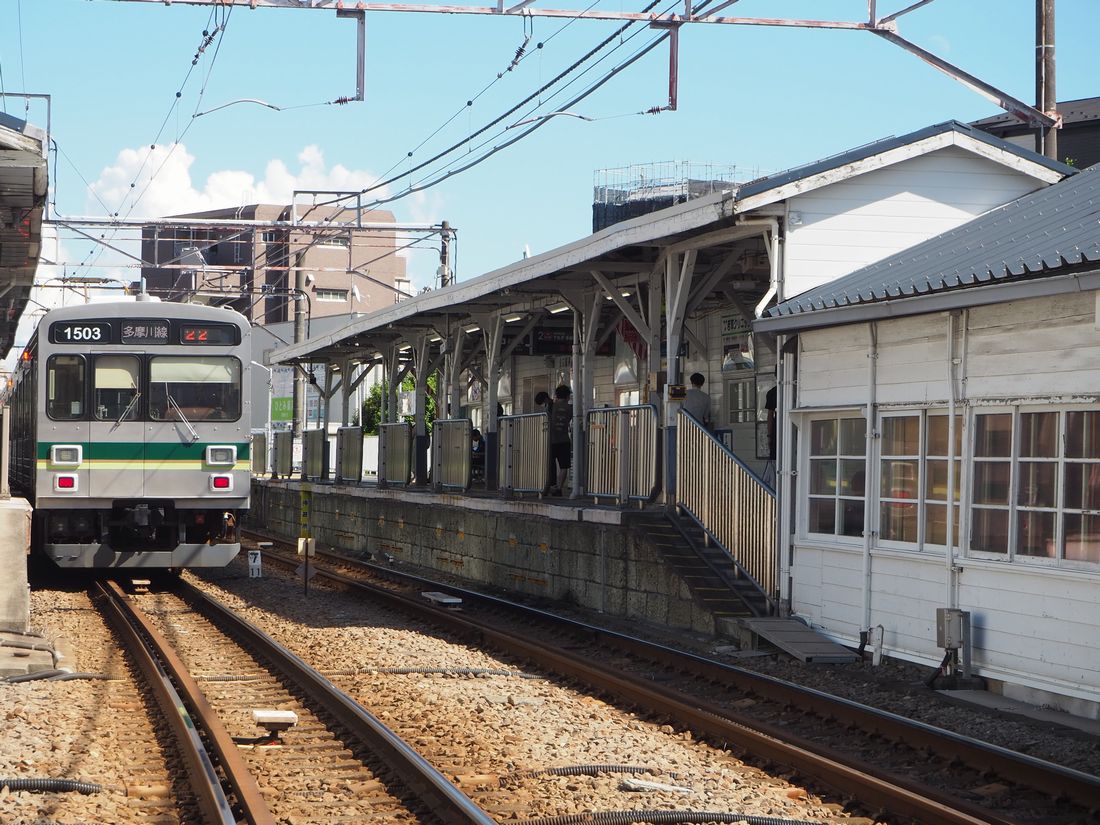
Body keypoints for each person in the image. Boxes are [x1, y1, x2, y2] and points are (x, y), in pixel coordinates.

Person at [548, 384, 573, 496]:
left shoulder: (551, 406)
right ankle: (559, 488)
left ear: (557, 395)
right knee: (564, 466)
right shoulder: (570, 408)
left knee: (549, 465)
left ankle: (549, 487)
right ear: (568, 396)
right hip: (564, 440)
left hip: (550, 440)